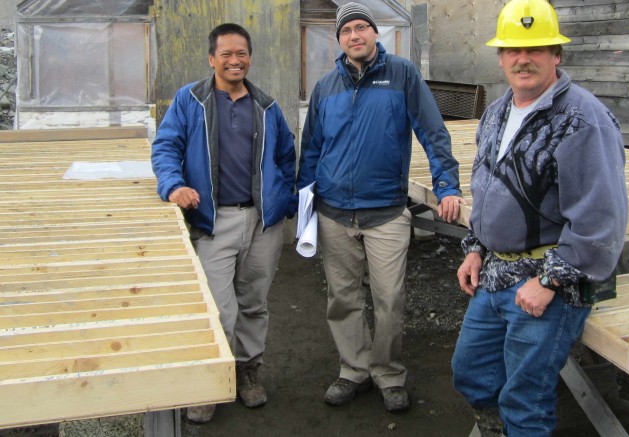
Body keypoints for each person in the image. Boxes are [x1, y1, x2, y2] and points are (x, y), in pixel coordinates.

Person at [450, 0, 629, 436]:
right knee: (471, 374)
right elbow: (485, 188)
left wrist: (549, 281)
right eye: (512, 49)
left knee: (525, 400)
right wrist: (475, 249)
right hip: (494, 272)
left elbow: (602, 220)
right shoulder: (496, 112)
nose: (522, 59)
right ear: (500, 56)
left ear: (557, 55)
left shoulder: (583, 120)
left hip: (549, 281)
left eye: (536, 49)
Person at [297, 2, 465, 412]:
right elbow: (313, 148)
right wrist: (302, 202)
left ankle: (388, 373)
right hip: (335, 211)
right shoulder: (326, 87)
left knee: (389, 298)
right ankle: (353, 370)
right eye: (346, 31)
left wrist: (447, 186)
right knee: (343, 298)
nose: (355, 36)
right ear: (339, 40)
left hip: (386, 211)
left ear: (375, 34)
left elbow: (432, 130)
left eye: (361, 28)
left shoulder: (401, 75)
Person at [151, 23, 297, 424]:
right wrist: (174, 184)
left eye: (242, 54)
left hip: (261, 221)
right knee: (218, 306)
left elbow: (287, 156)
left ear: (250, 58)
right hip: (216, 220)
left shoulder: (266, 105)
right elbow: (166, 146)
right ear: (212, 58)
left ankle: (247, 371)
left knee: (254, 302)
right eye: (227, 54)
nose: (235, 61)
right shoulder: (191, 100)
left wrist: (283, 199)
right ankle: (212, 378)